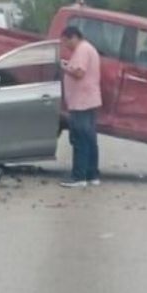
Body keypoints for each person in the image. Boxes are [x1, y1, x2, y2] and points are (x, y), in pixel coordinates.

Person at [59, 25, 102, 188]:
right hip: (89, 100)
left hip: (81, 102)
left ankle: (79, 177)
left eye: (65, 42)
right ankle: (92, 175)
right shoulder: (88, 48)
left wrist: (64, 67)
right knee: (90, 139)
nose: (66, 46)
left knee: (80, 139)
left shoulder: (82, 50)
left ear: (73, 37)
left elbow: (79, 72)